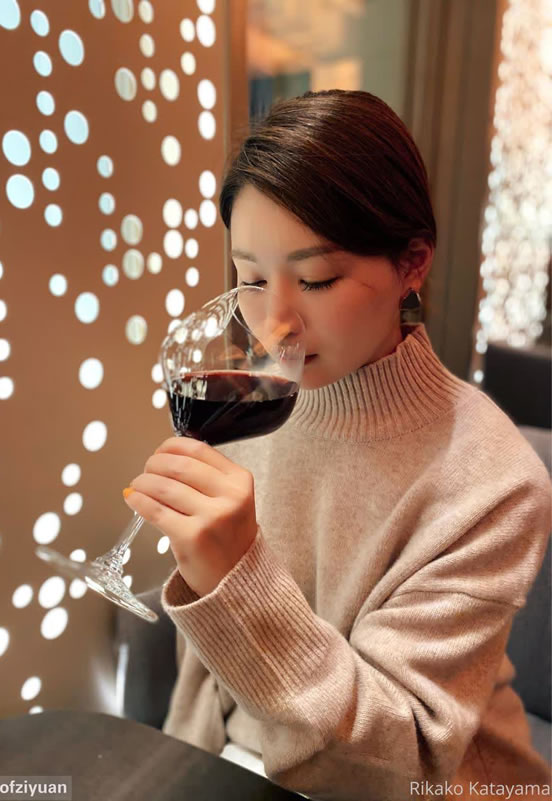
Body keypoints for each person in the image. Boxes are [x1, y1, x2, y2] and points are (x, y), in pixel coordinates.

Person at [122, 90, 552, 801]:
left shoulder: (495, 482)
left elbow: (400, 762)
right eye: (251, 278)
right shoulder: (250, 408)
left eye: (316, 279)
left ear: (413, 263)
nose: (275, 324)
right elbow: (212, 674)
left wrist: (239, 577)